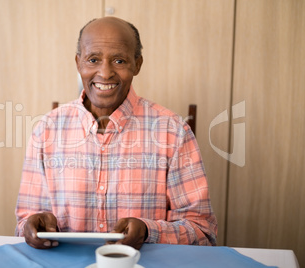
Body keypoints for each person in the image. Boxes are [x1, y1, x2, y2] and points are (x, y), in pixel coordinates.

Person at [15, 17, 217, 250]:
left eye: (119, 60)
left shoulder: (172, 131)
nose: (105, 72)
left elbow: (203, 231)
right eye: (93, 59)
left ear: (137, 65)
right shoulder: (46, 129)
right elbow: (23, 225)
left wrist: (147, 231)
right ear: (78, 63)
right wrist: (33, 226)